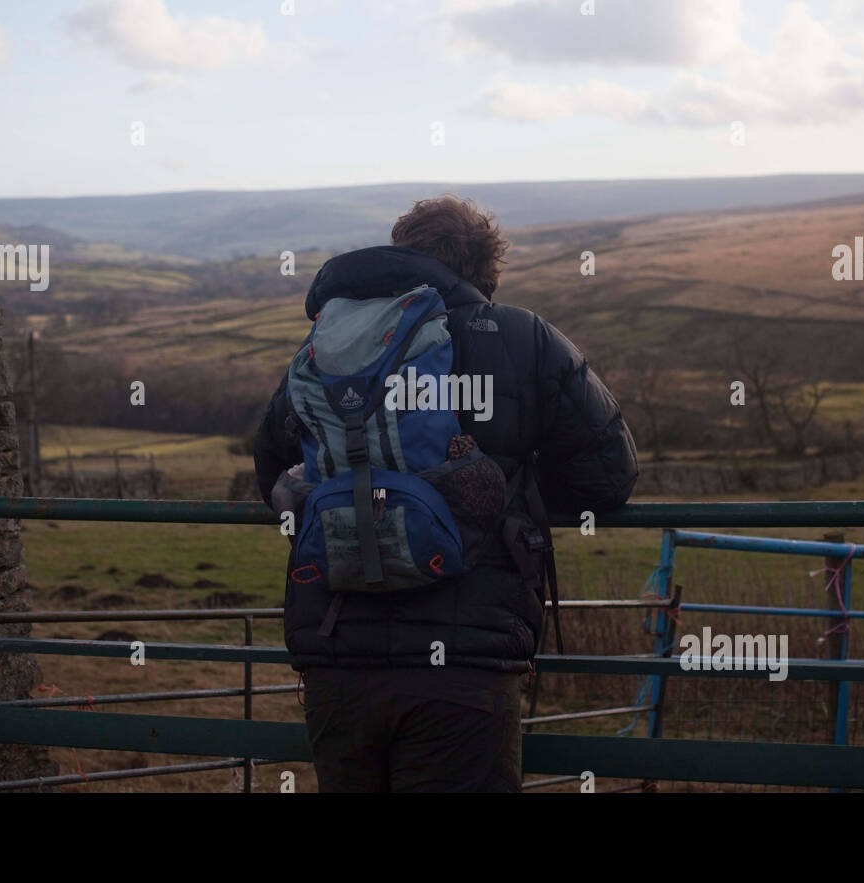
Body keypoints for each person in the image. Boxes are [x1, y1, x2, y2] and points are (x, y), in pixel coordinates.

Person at [253, 195, 638, 792]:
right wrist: (514, 487)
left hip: (337, 652)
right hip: (465, 661)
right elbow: (608, 478)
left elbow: (272, 470)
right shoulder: (520, 337)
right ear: (485, 272)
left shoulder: (328, 344)